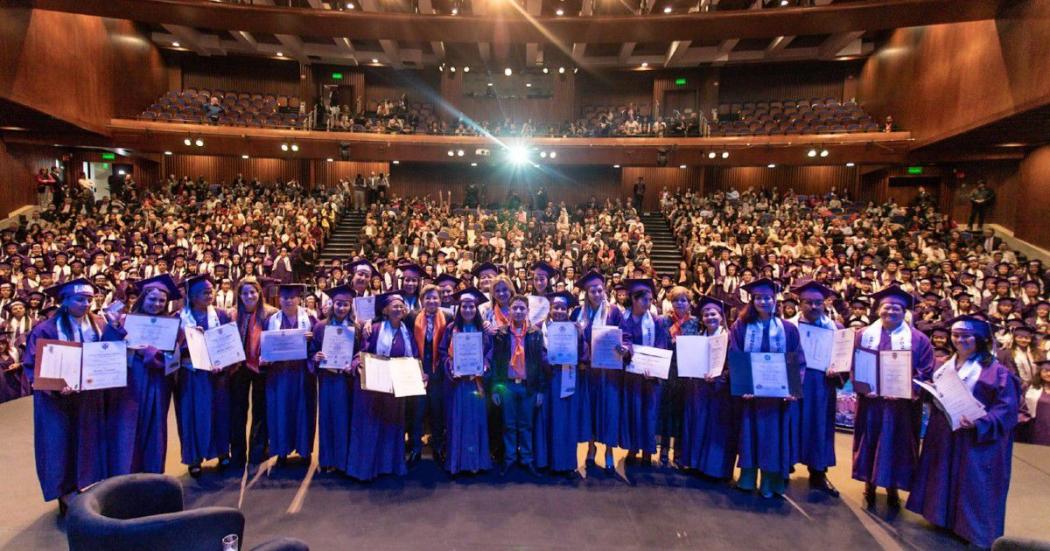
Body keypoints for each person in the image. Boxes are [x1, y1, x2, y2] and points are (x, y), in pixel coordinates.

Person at [906, 316, 1020, 549]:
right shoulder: (945, 363)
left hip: (975, 438)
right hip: (946, 432)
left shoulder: (995, 371)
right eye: (956, 335)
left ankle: (971, 529)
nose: (960, 340)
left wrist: (982, 422)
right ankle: (944, 519)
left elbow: (1007, 408)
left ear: (980, 339)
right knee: (943, 475)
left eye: (966, 336)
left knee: (973, 483)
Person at [22, 278, 126, 511]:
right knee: (60, 443)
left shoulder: (99, 323)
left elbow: (108, 352)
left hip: (89, 395)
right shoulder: (45, 329)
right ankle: (65, 491)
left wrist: (116, 327)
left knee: (89, 439)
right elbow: (32, 365)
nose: (86, 304)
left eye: (89, 299)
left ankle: (86, 483)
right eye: (80, 299)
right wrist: (55, 387)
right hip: (57, 400)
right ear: (64, 301)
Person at [851, 285, 934, 509]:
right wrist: (863, 387)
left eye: (897, 308)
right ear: (879, 309)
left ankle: (893, 487)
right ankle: (869, 484)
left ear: (904, 311)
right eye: (887, 307)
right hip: (873, 403)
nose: (891, 312)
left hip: (902, 408)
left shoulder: (919, 340)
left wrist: (908, 391)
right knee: (871, 440)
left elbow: (925, 372)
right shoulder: (864, 335)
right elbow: (856, 365)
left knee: (897, 445)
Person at [728, 278, 804, 499]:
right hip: (751, 396)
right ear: (752, 300)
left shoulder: (788, 329)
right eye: (758, 298)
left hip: (777, 399)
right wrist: (743, 386)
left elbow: (797, 360)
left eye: (767, 298)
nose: (763, 301)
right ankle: (747, 479)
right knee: (749, 435)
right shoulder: (740, 327)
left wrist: (792, 389)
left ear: (775, 300)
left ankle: (771, 484)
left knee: (774, 439)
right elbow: (735, 355)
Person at [108, 274, 181, 476]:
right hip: (132, 379)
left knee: (156, 427)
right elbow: (110, 348)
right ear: (142, 298)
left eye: (161, 300)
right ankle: (127, 473)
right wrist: (115, 327)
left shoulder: (171, 324)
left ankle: (153, 473)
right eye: (152, 299)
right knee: (129, 425)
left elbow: (173, 357)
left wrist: (151, 354)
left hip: (158, 381)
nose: (156, 304)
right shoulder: (125, 320)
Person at [346, 291, 415, 480]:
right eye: (395, 306)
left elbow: (412, 357)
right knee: (372, 426)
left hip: (396, 387)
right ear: (385, 310)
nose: (399, 308)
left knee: (392, 427)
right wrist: (357, 364)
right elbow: (362, 352)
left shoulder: (406, 331)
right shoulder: (374, 329)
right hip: (375, 388)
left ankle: (390, 465)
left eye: (401, 306)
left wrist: (419, 374)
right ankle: (369, 468)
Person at [175, 274, 234, 478]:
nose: (209, 294)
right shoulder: (179, 318)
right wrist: (188, 340)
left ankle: (222, 452)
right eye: (204, 292)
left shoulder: (222, 315)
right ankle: (194, 457)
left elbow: (230, 345)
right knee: (192, 415)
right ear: (191, 296)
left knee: (220, 413)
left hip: (217, 376)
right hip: (191, 375)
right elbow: (171, 348)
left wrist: (223, 363)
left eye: (211, 291)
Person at [792, 280, 846, 496]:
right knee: (791, 423)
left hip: (821, 386)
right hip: (795, 382)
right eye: (808, 302)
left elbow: (844, 360)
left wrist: (838, 369)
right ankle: (784, 467)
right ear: (799, 303)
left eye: (818, 303)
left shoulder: (837, 329)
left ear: (825, 304)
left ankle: (818, 473)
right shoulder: (789, 327)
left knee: (819, 427)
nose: (813, 307)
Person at [676, 295, 737, 480]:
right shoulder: (699, 338)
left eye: (713, 314)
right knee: (697, 424)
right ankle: (695, 464)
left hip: (720, 392)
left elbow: (732, 365)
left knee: (716, 429)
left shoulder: (729, 338)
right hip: (699, 389)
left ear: (721, 316)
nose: (709, 317)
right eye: (705, 315)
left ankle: (715, 469)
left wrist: (721, 377)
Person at [571, 270, 624, 473]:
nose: (596, 293)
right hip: (587, 372)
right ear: (586, 292)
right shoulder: (577, 313)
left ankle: (609, 450)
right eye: (592, 290)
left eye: (599, 290)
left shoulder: (614, 312)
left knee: (609, 411)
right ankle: (592, 448)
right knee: (590, 410)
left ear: (604, 291)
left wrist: (623, 347)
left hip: (607, 373)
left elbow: (623, 335)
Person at [491, 294, 546, 476]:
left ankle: (527, 459)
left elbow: (539, 364)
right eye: (515, 308)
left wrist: (539, 390)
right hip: (507, 386)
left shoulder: (535, 334)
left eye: (522, 308)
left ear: (528, 311)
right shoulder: (502, 334)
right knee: (508, 425)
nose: (519, 311)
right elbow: (496, 364)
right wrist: (496, 389)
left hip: (527, 386)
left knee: (526, 425)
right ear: (510, 311)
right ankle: (509, 459)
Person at [438, 288, 492, 475]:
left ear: (476, 309)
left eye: (471, 306)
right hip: (458, 384)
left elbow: (490, 352)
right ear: (459, 308)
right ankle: (457, 463)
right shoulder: (451, 328)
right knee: (457, 420)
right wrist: (450, 366)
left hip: (476, 383)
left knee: (475, 421)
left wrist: (485, 363)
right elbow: (443, 352)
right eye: (464, 306)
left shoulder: (483, 330)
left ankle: (476, 462)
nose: (468, 310)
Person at [262, 283, 317, 465]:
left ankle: (304, 450)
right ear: (279, 299)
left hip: (302, 374)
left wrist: (312, 339)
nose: (288, 301)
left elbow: (318, 346)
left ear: (299, 299)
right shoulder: (271, 320)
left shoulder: (310, 319)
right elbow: (265, 345)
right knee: (280, 410)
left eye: (292, 297)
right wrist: (264, 357)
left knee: (302, 410)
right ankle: (281, 450)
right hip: (279, 374)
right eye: (284, 297)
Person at [620, 279, 671, 467]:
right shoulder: (623, 320)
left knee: (649, 412)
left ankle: (648, 451)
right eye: (644, 300)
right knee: (633, 411)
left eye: (650, 300)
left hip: (651, 377)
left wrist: (655, 369)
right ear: (633, 299)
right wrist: (624, 350)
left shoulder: (656, 321)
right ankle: (633, 448)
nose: (648, 303)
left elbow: (661, 344)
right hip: (632, 375)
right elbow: (622, 341)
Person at [540, 290, 587, 476]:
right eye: (555, 307)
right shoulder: (542, 329)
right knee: (549, 420)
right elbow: (538, 353)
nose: (559, 310)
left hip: (568, 378)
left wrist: (580, 336)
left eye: (562, 307)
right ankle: (549, 462)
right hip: (550, 378)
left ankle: (567, 464)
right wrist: (547, 360)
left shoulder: (574, 329)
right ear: (550, 309)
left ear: (567, 310)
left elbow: (583, 354)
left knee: (567, 421)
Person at [230, 277, 274, 468]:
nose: (249, 296)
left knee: (261, 410)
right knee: (237, 411)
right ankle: (237, 454)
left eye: (253, 292)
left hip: (261, 368)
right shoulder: (231, 315)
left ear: (259, 293)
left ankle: (258, 451)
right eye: (245, 293)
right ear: (239, 295)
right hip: (237, 368)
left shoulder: (270, 315)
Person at [311, 284, 354, 473]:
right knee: (327, 418)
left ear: (350, 306)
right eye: (338, 304)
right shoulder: (320, 327)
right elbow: (312, 351)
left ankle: (343, 460)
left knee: (345, 419)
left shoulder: (355, 328)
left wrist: (351, 364)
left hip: (346, 381)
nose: (342, 308)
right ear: (332, 305)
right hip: (328, 379)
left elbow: (360, 354)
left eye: (345, 304)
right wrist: (316, 357)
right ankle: (327, 459)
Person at [407, 284, 449, 465]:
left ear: (440, 300)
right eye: (428, 298)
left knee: (437, 412)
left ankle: (438, 447)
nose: (432, 301)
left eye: (435, 298)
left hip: (439, 373)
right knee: (417, 412)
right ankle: (416, 448)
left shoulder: (448, 316)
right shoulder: (412, 317)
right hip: (417, 371)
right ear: (422, 300)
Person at [658, 285, 692, 467]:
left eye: (683, 300)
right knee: (666, 411)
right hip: (666, 368)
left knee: (681, 412)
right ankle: (663, 448)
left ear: (689, 303)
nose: (679, 303)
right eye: (676, 300)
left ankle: (678, 451)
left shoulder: (695, 323)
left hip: (686, 372)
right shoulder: (663, 321)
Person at [1019, 360, 1050, 445]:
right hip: (1036, 427)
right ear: (1040, 372)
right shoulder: (1030, 387)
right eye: (1045, 371)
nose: (1048, 374)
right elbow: (1022, 407)